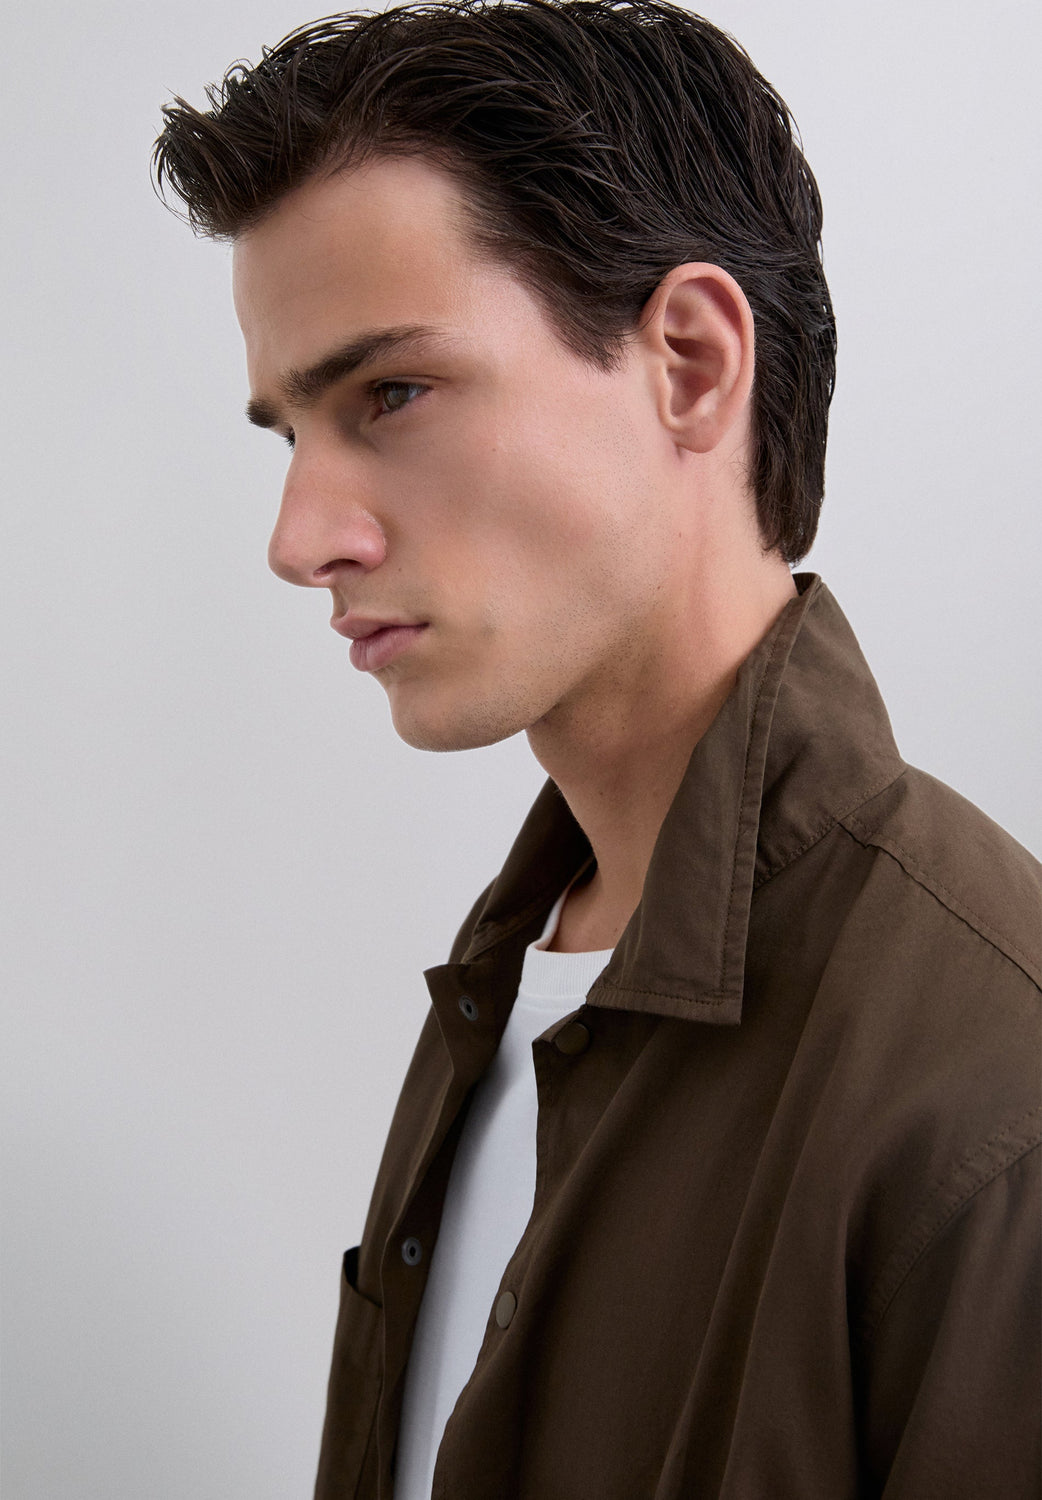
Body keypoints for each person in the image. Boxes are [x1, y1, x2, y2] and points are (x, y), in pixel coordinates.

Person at [153, 3, 1041, 1495]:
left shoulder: (992, 1086)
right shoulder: (507, 980)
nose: (300, 540)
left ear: (688, 364)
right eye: (289, 432)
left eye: (391, 394)